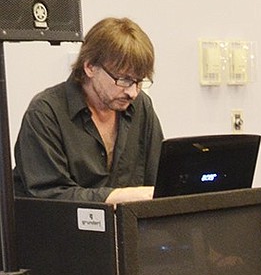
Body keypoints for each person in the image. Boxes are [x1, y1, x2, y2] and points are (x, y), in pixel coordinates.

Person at [13, 16, 163, 203]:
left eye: (139, 82)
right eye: (124, 80)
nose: (132, 92)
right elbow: (50, 196)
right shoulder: (45, 114)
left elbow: (160, 177)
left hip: (129, 229)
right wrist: (121, 197)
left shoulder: (141, 106)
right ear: (90, 67)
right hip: (62, 230)